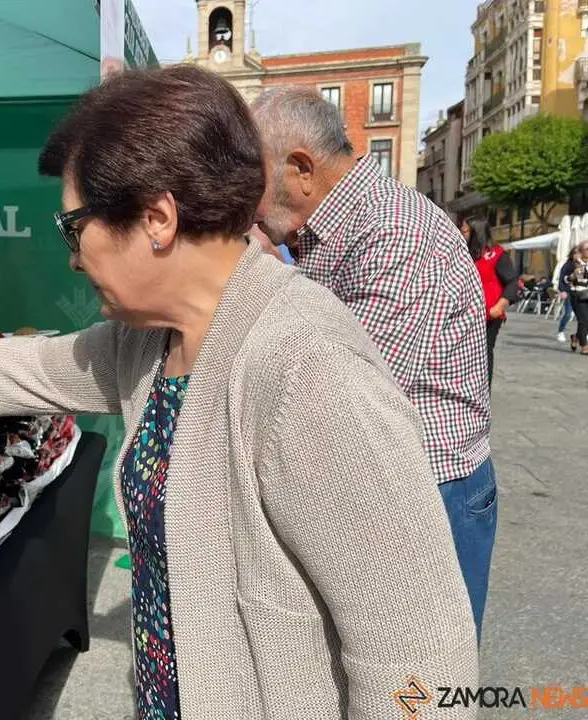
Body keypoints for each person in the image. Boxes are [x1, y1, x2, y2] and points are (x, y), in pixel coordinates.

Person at [0, 67, 477, 719]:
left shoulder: (306, 365)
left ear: (157, 218)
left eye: (74, 226)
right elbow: (42, 365)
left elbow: (419, 647)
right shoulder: (152, 341)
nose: (73, 258)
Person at [250, 85, 495, 638]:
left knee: (423, 665)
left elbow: (343, 388)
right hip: (387, 480)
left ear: (301, 169)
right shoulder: (330, 228)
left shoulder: (394, 229)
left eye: (253, 178)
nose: (249, 202)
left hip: (433, 489)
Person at [463, 219, 519, 386]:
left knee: (483, 352)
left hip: (489, 314)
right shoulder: (466, 254)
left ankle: (483, 391)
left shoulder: (497, 254)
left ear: (476, 232)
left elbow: (512, 282)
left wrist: (500, 306)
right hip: (467, 314)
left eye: (465, 231)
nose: (462, 234)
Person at [566, 241, 588, 354]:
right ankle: (584, 346)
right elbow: (565, 279)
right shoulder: (573, 264)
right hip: (578, 295)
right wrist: (573, 275)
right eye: (587, 249)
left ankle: (576, 337)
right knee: (583, 320)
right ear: (581, 251)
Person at [555, 246, 578, 343]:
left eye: (579, 253)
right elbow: (561, 278)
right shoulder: (568, 265)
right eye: (575, 253)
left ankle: (582, 334)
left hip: (582, 292)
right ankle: (560, 331)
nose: (577, 255)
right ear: (572, 254)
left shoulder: (584, 264)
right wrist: (562, 290)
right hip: (570, 292)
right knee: (568, 314)